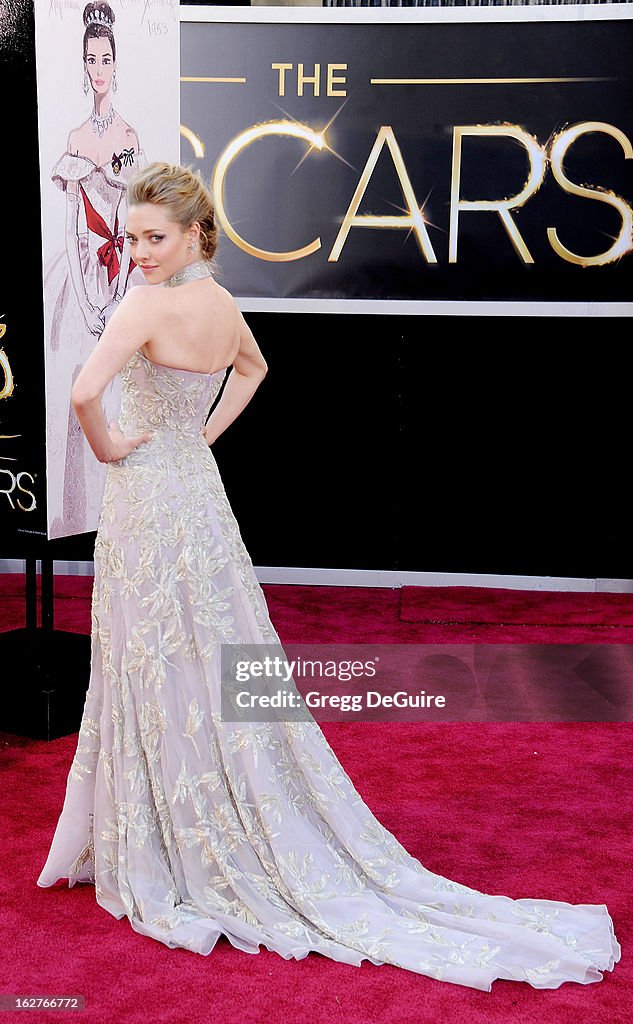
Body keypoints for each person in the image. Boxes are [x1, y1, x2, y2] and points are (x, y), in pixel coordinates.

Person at [37, 161, 621, 992]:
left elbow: (84, 393)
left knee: (153, 655)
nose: (137, 253)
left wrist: (109, 448)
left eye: (152, 238)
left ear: (197, 232)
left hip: (145, 499)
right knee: (217, 647)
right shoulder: (219, 301)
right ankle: (194, 814)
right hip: (197, 499)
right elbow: (253, 370)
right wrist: (200, 438)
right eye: (131, 239)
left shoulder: (149, 304)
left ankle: (167, 835)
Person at [44, 1, 146, 538]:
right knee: (80, 385)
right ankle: (80, 514)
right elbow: (69, 225)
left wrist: (117, 293)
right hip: (79, 274)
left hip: (121, 272)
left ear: (116, 63)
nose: (99, 68)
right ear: (84, 66)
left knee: (121, 388)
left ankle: (121, 516)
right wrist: (86, 301)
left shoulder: (128, 138)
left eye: (106, 58)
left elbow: (131, 214)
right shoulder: (78, 139)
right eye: (92, 60)